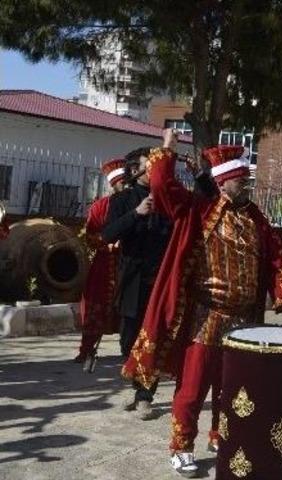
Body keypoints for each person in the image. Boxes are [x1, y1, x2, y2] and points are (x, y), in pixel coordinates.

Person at [120, 131, 282, 477]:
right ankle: (181, 447)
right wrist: (166, 149)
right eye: (241, 179)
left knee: (233, 388)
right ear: (224, 182)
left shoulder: (257, 219)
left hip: (246, 321)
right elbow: (163, 188)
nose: (247, 184)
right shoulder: (199, 209)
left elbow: (276, 262)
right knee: (192, 388)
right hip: (205, 317)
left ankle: (220, 437)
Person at [102, 145, 174, 420]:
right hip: (131, 280)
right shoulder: (122, 200)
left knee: (152, 339)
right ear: (136, 170)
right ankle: (137, 385)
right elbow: (108, 234)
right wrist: (136, 214)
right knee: (128, 340)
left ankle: (145, 396)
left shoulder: (167, 199)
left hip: (159, 282)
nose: (155, 170)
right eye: (150, 165)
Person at [74, 158, 126, 367]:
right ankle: (86, 349)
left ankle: (129, 350)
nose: (125, 185)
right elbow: (90, 236)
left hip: (129, 263)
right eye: (122, 182)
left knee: (129, 310)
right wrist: (108, 245)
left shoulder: (138, 202)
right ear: (114, 184)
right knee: (96, 306)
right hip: (105, 265)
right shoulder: (100, 207)